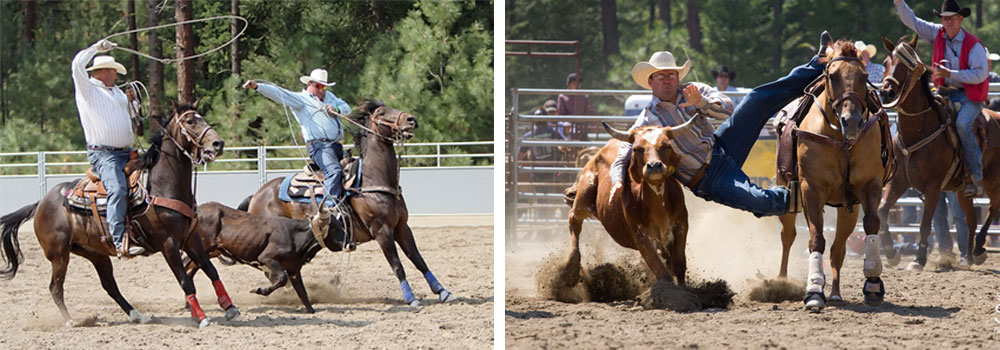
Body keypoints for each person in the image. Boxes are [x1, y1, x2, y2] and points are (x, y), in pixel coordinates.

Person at [609, 31, 835, 217]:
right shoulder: (646, 122)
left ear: (678, 77)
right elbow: (623, 154)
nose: (668, 80)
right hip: (708, 178)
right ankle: (807, 196)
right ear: (651, 82)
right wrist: (618, 182)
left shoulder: (692, 90)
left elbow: (728, 109)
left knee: (755, 98)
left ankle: (819, 63)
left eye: (672, 75)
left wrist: (702, 102)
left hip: (722, 146)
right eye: (662, 77)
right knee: (758, 200)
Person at [894, 0, 989, 197]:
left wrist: (950, 74)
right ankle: (927, 169)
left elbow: (980, 74)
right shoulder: (937, 32)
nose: (949, 22)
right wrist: (898, 2)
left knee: (963, 125)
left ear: (960, 19)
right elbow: (911, 20)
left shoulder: (974, 45)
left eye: (952, 18)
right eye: (945, 19)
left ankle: (974, 175)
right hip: (944, 93)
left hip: (969, 96)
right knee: (927, 120)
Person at [73, 39, 144, 257]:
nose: (116, 76)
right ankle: (117, 239)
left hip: (125, 151)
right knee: (118, 189)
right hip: (104, 155)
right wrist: (96, 47)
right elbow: (76, 66)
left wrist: (133, 103)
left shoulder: (118, 93)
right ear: (103, 72)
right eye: (113, 72)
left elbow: (132, 116)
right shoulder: (89, 90)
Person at [243, 69, 351, 210]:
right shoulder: (301, 99)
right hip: (319, 146)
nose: (322, 90)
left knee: (352, 171)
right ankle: (329, 210)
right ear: (310, 84)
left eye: (324, 87)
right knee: (334, 171)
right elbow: (279, 93)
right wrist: (257, 87)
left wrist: (336, 109)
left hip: (335, 146)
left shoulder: (330, 97)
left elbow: (346, 107)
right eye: (318, 86)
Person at [931, 191, 969, 264]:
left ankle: (966, 254)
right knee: (938, 217)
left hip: (953, 182)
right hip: (936, 181)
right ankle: (945, 253)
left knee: (959, 215)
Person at [557, 72, 596, 140]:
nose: (577, 86)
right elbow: (561, 114)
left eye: (579, 83)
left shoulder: (584, 96)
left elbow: (590, 112)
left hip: (581, 127)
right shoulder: (563, 96)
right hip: (568, 128)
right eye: (574, 83)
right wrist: (568, 123)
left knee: (586, 143)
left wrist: (588, 122)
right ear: (568, 84)